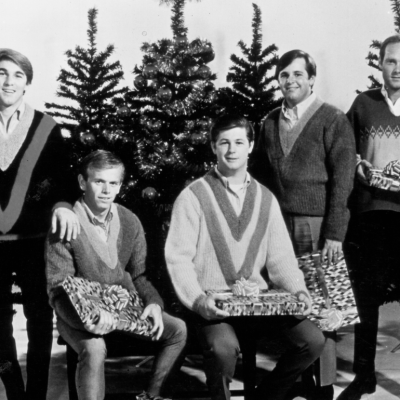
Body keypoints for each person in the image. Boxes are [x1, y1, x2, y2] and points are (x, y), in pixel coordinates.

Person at [165, 114, 325, 400]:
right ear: (213, 147)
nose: (231, 149)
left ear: (250, 146)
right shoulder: (193, 196)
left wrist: (297, 291)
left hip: (257, 302)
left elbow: (281, 258)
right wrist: (200, 301)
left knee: (312, 341)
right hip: (213, 304)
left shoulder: (266, 199)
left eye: (239, 142)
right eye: (224, 142)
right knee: (223, 350)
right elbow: (178, 259)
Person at [254, 49, 356, 400]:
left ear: (312, 79)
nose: (291, 80)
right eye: (284, 75)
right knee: (290, 301)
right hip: (279, 228)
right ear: (278, 80)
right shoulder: (268, 123)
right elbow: (261, 177)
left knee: (324, 306)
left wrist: (334, 233)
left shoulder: (333, 119)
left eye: (298, 74)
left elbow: (343, 182)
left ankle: (323, 388)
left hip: (317, 226)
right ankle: (300, 375)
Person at [45, 150, 187, 400]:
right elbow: (57, 290)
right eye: (98, 181)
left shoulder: (130, 220)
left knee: (178, 330)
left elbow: (140, 275)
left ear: (120, 185)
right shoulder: (66, 224)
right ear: (82, 182)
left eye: (113, 183)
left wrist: (153, 303)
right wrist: (89, 320)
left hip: (123, 310)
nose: (106, 190)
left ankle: (151, 395)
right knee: (95, 348)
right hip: (78, 315)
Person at [0, 48, 80, 400]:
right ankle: (14, 392)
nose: (8, 82)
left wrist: (63, 206)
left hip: (33, 238)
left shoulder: (45, 127)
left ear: (28, 84)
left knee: (38, 319)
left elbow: (62, 181)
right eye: (2, 73)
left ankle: (36, 394)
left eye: (18, 75)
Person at [338, 34, 400, 400]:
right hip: (372, 214)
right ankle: (364, 376)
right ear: (380, 65)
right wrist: (357, 167)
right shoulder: (364, 104)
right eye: (391, 61)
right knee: (367, 296)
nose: (397, 68)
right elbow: (344, 151)